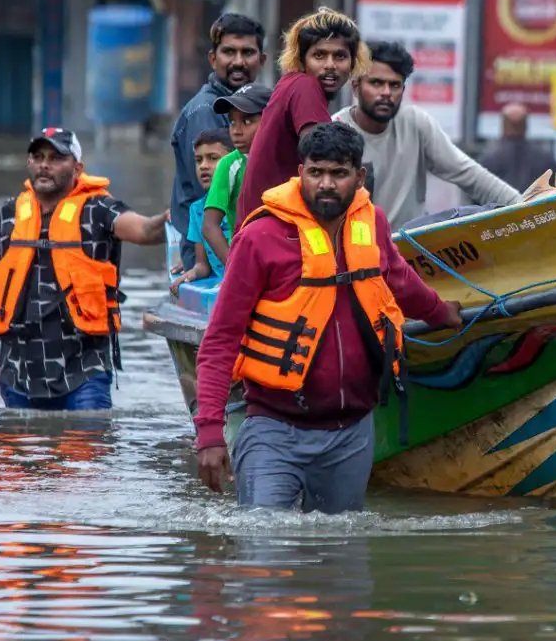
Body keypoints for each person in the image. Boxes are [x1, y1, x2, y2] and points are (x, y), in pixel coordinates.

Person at [192, 123, 463, 513]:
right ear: (300, 172)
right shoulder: (260, 237)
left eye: (339, 173)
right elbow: (220, 339)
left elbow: (400, 281)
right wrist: (210, 433)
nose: (326, 184)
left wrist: (441, 313)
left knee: (340, 546)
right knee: (262, 543)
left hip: (350, 433)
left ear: (359, 177)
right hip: (274, 430)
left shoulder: (372, 225)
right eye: (316, 172)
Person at [0, 129, 169, 409]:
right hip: (18, 371)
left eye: (56, 158)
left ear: (77, 168)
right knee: (17, 439)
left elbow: (145, 231)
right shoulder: (9, 215)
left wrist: (169, 219)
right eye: (38, 157)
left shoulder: (99, 210)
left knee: (86, 436)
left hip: (84, 369)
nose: (44, 165)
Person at [333, 40, 520, 229]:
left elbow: (470, 175)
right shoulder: (335, 130)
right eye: (376, 83)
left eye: (395, 85)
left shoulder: (415, 123)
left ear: (403, 90)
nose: (386, 92)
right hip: (356, 243)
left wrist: (524, 207)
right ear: (355, 87)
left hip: (409, 243)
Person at [236, 8, 368, 221]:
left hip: (266, 224)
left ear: (352, 62)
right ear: (302, 59)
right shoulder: (305, 88)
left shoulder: (291, 84)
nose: (330, 65)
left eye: (340, 56)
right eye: (319, 55)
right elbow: (325, 158)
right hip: (276, 228)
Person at [169, 13, 266, 263]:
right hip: (212, 251)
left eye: (247, 52)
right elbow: (211, 194)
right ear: (213, 59)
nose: (238, 62)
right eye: (229, 52)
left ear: (262, 60)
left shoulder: (261, 107)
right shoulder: (206, 112)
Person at [202, 83, 271, 267]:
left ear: (270, 119)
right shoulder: (229, 165)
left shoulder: (289, 159)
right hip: (247, 257)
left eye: (247, 122)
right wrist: (235, 267)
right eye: (232, 122)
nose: (236, 131)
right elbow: (209, 226)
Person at [172, 128, 233, 295]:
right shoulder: (197, 210)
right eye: (198, 160)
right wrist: (192, 273)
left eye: (213, 158)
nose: (203, 166)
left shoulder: (246, 202)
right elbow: (203, 265)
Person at [478, 102, 556, 193]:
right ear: (525, 125)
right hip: (534, 202)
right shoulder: (544, 158)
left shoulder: (490, 158)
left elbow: (478, 190)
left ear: (503, 124)